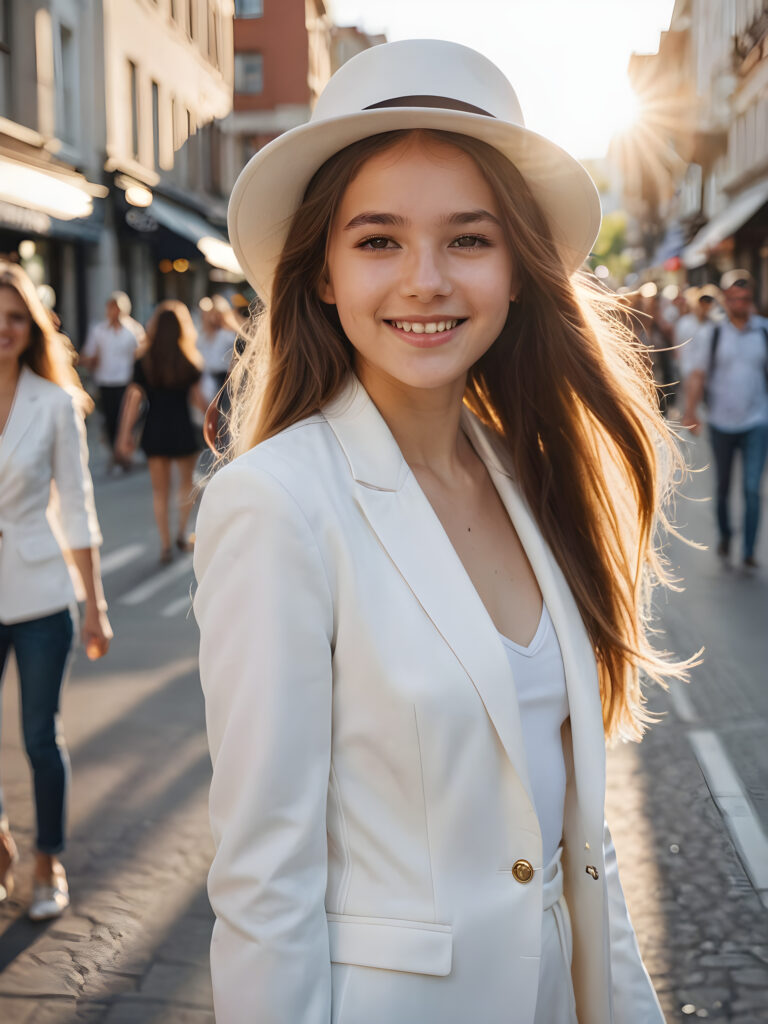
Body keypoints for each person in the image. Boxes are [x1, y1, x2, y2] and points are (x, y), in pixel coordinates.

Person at [193, 40, 689, 1024]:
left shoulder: (532, 475)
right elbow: (264, 882)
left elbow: (575, 849)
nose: (426, 279)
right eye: (378, 240)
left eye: (468, 238)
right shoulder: (277, 502)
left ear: (516, 270)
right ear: (324, 273)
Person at [0, 260, 111, 920]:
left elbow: (76, 505)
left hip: (42, 595)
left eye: (16, 317)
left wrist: (94, 605)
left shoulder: (55, 403)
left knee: (40, 738)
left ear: (32, 326)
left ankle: (48, 861)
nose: (4, 329)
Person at [682, 269, 768, 569]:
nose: (740, 303)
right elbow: (697, 375)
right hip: (721, 422)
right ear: (726, 300)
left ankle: (747, 550)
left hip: (757, 421)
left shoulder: (763, 331)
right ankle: (725, 536)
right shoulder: (712, 333)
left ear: (751, 299)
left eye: (745, 298)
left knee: (751, 488)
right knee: (722, 488)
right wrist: (690, 411)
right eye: (734, 298)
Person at [115, 300, 207, 563]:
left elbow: (133, 401)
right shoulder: (189, 360)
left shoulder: (144, 361)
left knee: (160, 492)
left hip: (155, 430)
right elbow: (198, 399)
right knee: (185, 485)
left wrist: (124, 436)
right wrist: (216, 421)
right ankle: (181, 533)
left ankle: (165, 544)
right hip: (181, 429)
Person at [80, 291, 142, 468]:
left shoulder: (134, 330)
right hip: (106, 381)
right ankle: (118, 453)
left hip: (126, 382)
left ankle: (123, 452)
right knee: (110, 419)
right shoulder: (98, 330)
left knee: (126, 419)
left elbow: (140, 355)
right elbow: (89, 354)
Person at [196, 295, 239, 403]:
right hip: (204, 382)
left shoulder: (228, 336)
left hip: (224, 381)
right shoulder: (202, 337)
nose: (211, 318)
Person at [674, 284, 720, 382]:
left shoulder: (713, 325)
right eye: (702, 302)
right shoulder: (684, 323)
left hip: (709, 377)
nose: (704, 306)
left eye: (707, 302)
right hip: (688, 374)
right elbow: (678, 349)